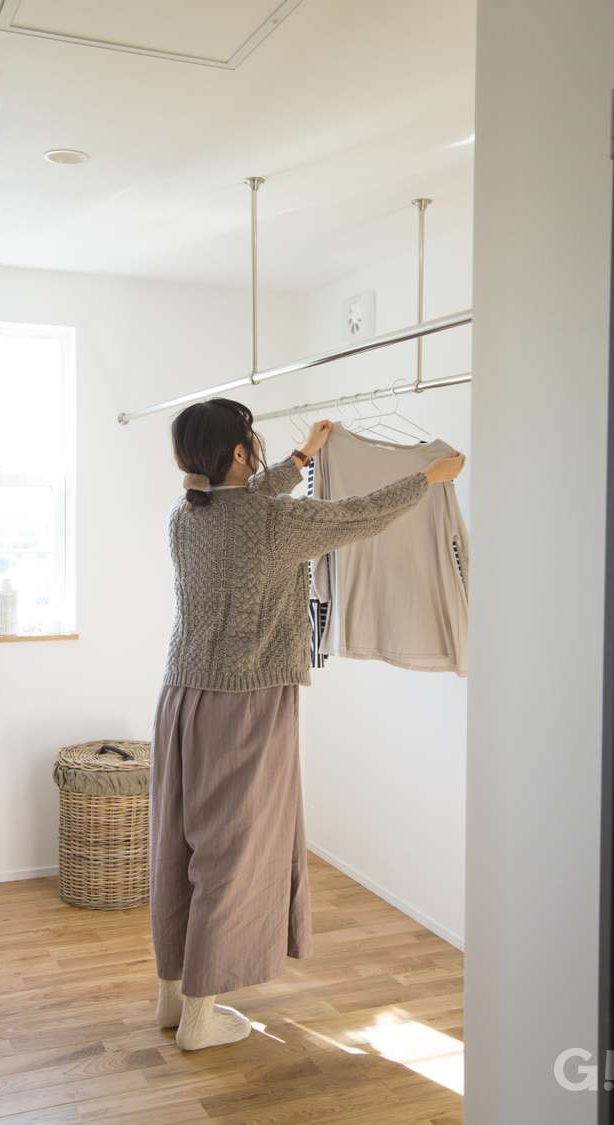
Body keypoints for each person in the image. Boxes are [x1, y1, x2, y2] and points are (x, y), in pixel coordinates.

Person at [149, 397, 465, 1051]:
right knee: (234, 852)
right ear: (239, 452)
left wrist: (301, 457)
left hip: (182, 699)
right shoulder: (276, 524)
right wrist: (427, 479)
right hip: (248, 701)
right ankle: (203, 1015)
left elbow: (246, 505)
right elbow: (360, 515)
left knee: (179, 845)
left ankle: (174, 996)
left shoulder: (186, 516)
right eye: (253, 441)